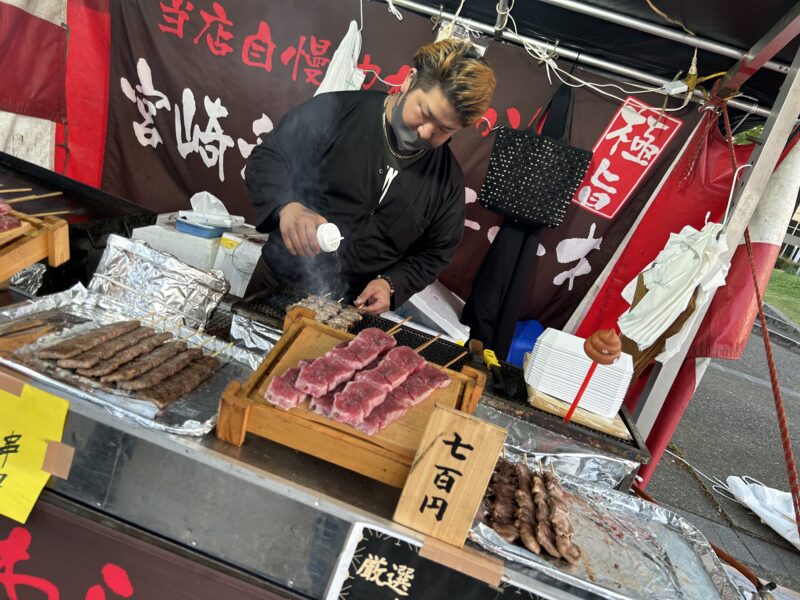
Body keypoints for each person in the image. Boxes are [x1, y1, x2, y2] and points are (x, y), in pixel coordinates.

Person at [244, 39, 495, 314]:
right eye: (424, 113)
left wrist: (391, 284)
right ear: (410, 81)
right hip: (279, 281)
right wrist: (286, 206)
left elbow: (435, 253)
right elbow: (268, 158)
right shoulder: (337, 112)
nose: (425, 133)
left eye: (443, 129)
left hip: (349, 310)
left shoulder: (448, 183)